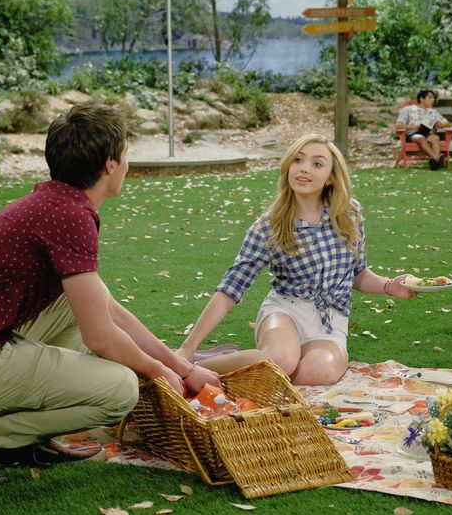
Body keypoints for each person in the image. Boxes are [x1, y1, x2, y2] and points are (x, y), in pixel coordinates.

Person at [0, 103, 220, 490]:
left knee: (77, 305)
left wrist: (182, 367)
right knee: (119, 390)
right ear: (110, 164)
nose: (128, 163)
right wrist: (156, 371)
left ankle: (21, 445)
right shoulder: (69, 215)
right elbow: (101, 337)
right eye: (126, 154)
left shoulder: (58, 202)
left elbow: (109, 311)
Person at [177, 133, 418, 385]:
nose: (304, 168)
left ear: (331, 176)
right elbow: (230, 289)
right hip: (285, 311)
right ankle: (186, 366)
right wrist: (187, 346)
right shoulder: (269, 225)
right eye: (298, 160)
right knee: (280, 360)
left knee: (319, 372)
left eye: (317, 163)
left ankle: (240, 361)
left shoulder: (349, 214)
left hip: (330, 320)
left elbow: (358, 273)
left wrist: (389, 286)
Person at [396, 89, 450, 170]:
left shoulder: (433, 112)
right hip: (413, 134)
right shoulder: (408, 109)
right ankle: (436, 158)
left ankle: (435, 163)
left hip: (426, 133)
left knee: (435, 138)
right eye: (430, 97)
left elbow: (447, 123)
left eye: (433, 98)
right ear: (422, 99)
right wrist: (413, 127)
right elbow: (398, 125)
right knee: (421, 137)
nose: (433, 100)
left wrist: (439, 124)